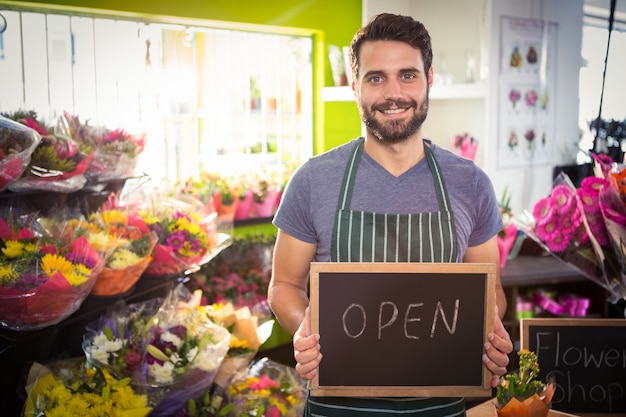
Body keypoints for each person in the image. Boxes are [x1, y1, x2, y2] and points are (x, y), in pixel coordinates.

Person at [268, 12, 513, 417]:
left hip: (441, 404)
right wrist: (305, 333)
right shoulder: (314, 180)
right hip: (337, 405)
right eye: (376, 77)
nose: (393, 93)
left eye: (408, 75)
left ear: (429, 79)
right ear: (355, 86)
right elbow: (284, 284)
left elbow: (493, 292)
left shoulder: (470, 183)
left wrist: (490, 331)